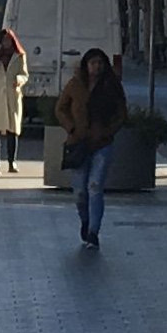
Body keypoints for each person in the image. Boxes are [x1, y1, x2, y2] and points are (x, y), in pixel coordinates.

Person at [60, 45, 129, 250]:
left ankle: (93, 232)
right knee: (80, 191)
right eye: (92, 63)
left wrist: (109, 131)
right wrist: (71, 127)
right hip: (79, 143)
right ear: (86, 65)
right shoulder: (75, 85)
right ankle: (85, 220)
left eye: (100, 63)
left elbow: (121, 113)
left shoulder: (112, 85)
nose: (96, 67)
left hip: (102, 144)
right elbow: (61, 108)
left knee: (95, 187)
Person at [0, 26, 30, 174]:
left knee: (12, 130)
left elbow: (25, 74)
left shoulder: (19, 55)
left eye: (9, 40)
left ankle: (12, 162)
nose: (6, 43)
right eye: (4, 40)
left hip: (12, 94)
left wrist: (19, 80)